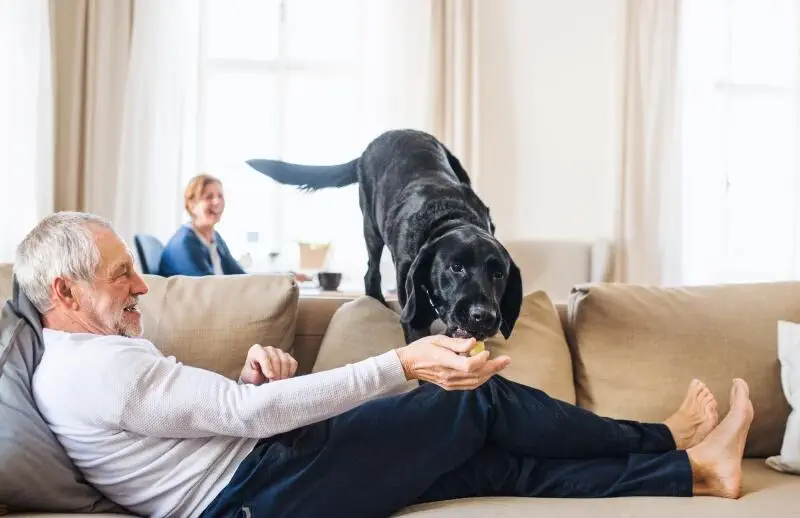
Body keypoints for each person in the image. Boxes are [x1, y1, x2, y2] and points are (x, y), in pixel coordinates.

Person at [18, 211, 754, 518]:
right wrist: (403, 362)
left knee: (486, 464)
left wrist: (247, 386)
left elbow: (204, 418)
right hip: (257, 493)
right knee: (474, 405)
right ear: (64, 291)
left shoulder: (85, 358)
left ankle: (693, 475)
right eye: (121, 273)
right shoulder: (95, 371)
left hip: (257, 476)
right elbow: (242, 420)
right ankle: (667, 437)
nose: (140, 282)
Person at [159, 174, 247, 277]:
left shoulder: (215, 237)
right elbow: (208, 287)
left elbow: (239, 275)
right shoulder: (185, 243)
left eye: (220, 196)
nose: (217, 201)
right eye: (209, 197)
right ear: (192, 205)